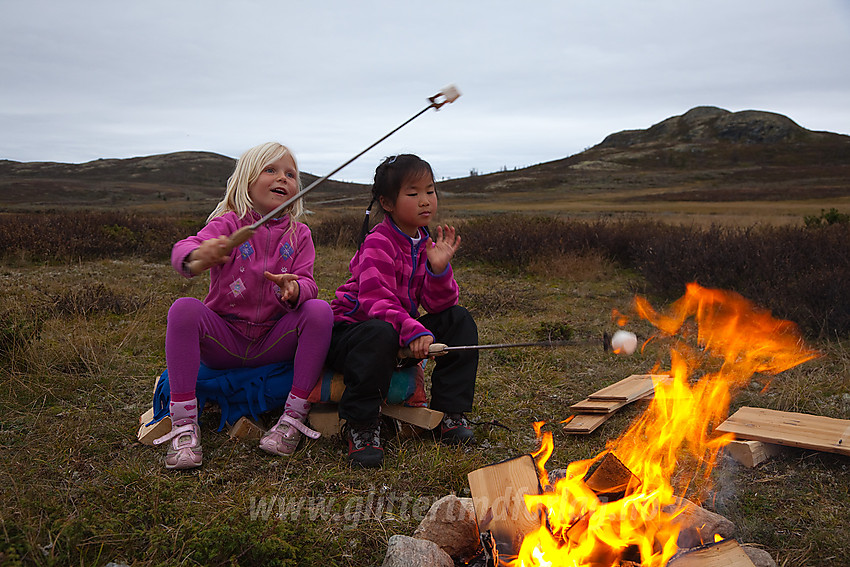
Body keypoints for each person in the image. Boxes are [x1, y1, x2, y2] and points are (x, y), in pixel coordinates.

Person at [155, 142, 333, 470]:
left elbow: (309, 282)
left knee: (320, 310)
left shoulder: (300, 234)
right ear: (247, 181)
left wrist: (295, 290)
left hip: (272, 341)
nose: (283, 178)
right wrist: (198, 256)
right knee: (183, 309)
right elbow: (185, 248)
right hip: (225, 341)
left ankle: (292, 417)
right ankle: (183, 424)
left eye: (291, 174)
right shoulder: (230, 223)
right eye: (271, 170)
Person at [326, 154, 478, 468]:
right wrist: (413, 330)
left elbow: (438, 305)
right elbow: (375, 304)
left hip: (392, 331)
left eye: (430, 191)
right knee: (381, 331)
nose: (425, 201)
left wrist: (438, 269)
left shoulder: (423, 242)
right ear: (388, 202)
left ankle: (450, 414)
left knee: (459, 318)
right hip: (351, 335)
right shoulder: (378, 242)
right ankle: (362, 424)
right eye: (413, 193)